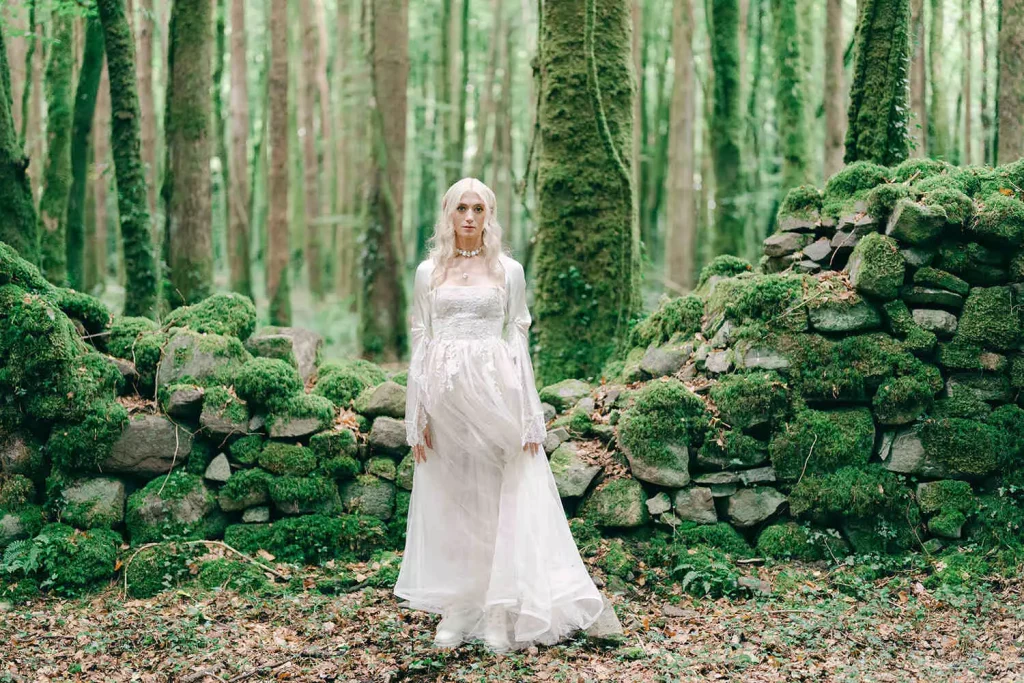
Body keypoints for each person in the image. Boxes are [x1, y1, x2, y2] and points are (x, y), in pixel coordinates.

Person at [393, 177, 605, 652]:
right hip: (445, 402)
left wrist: (529, 410)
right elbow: (421, 336)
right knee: (451, 499)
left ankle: (497, 609)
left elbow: (518, 334)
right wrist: (417, 412)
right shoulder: (429, 272)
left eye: (478, 208)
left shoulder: (510, 270)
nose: (469, 216)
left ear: (489, 216)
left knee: (496, 498)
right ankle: (458, 606)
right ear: (448, 214)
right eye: (461, 208)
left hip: (496, 396)